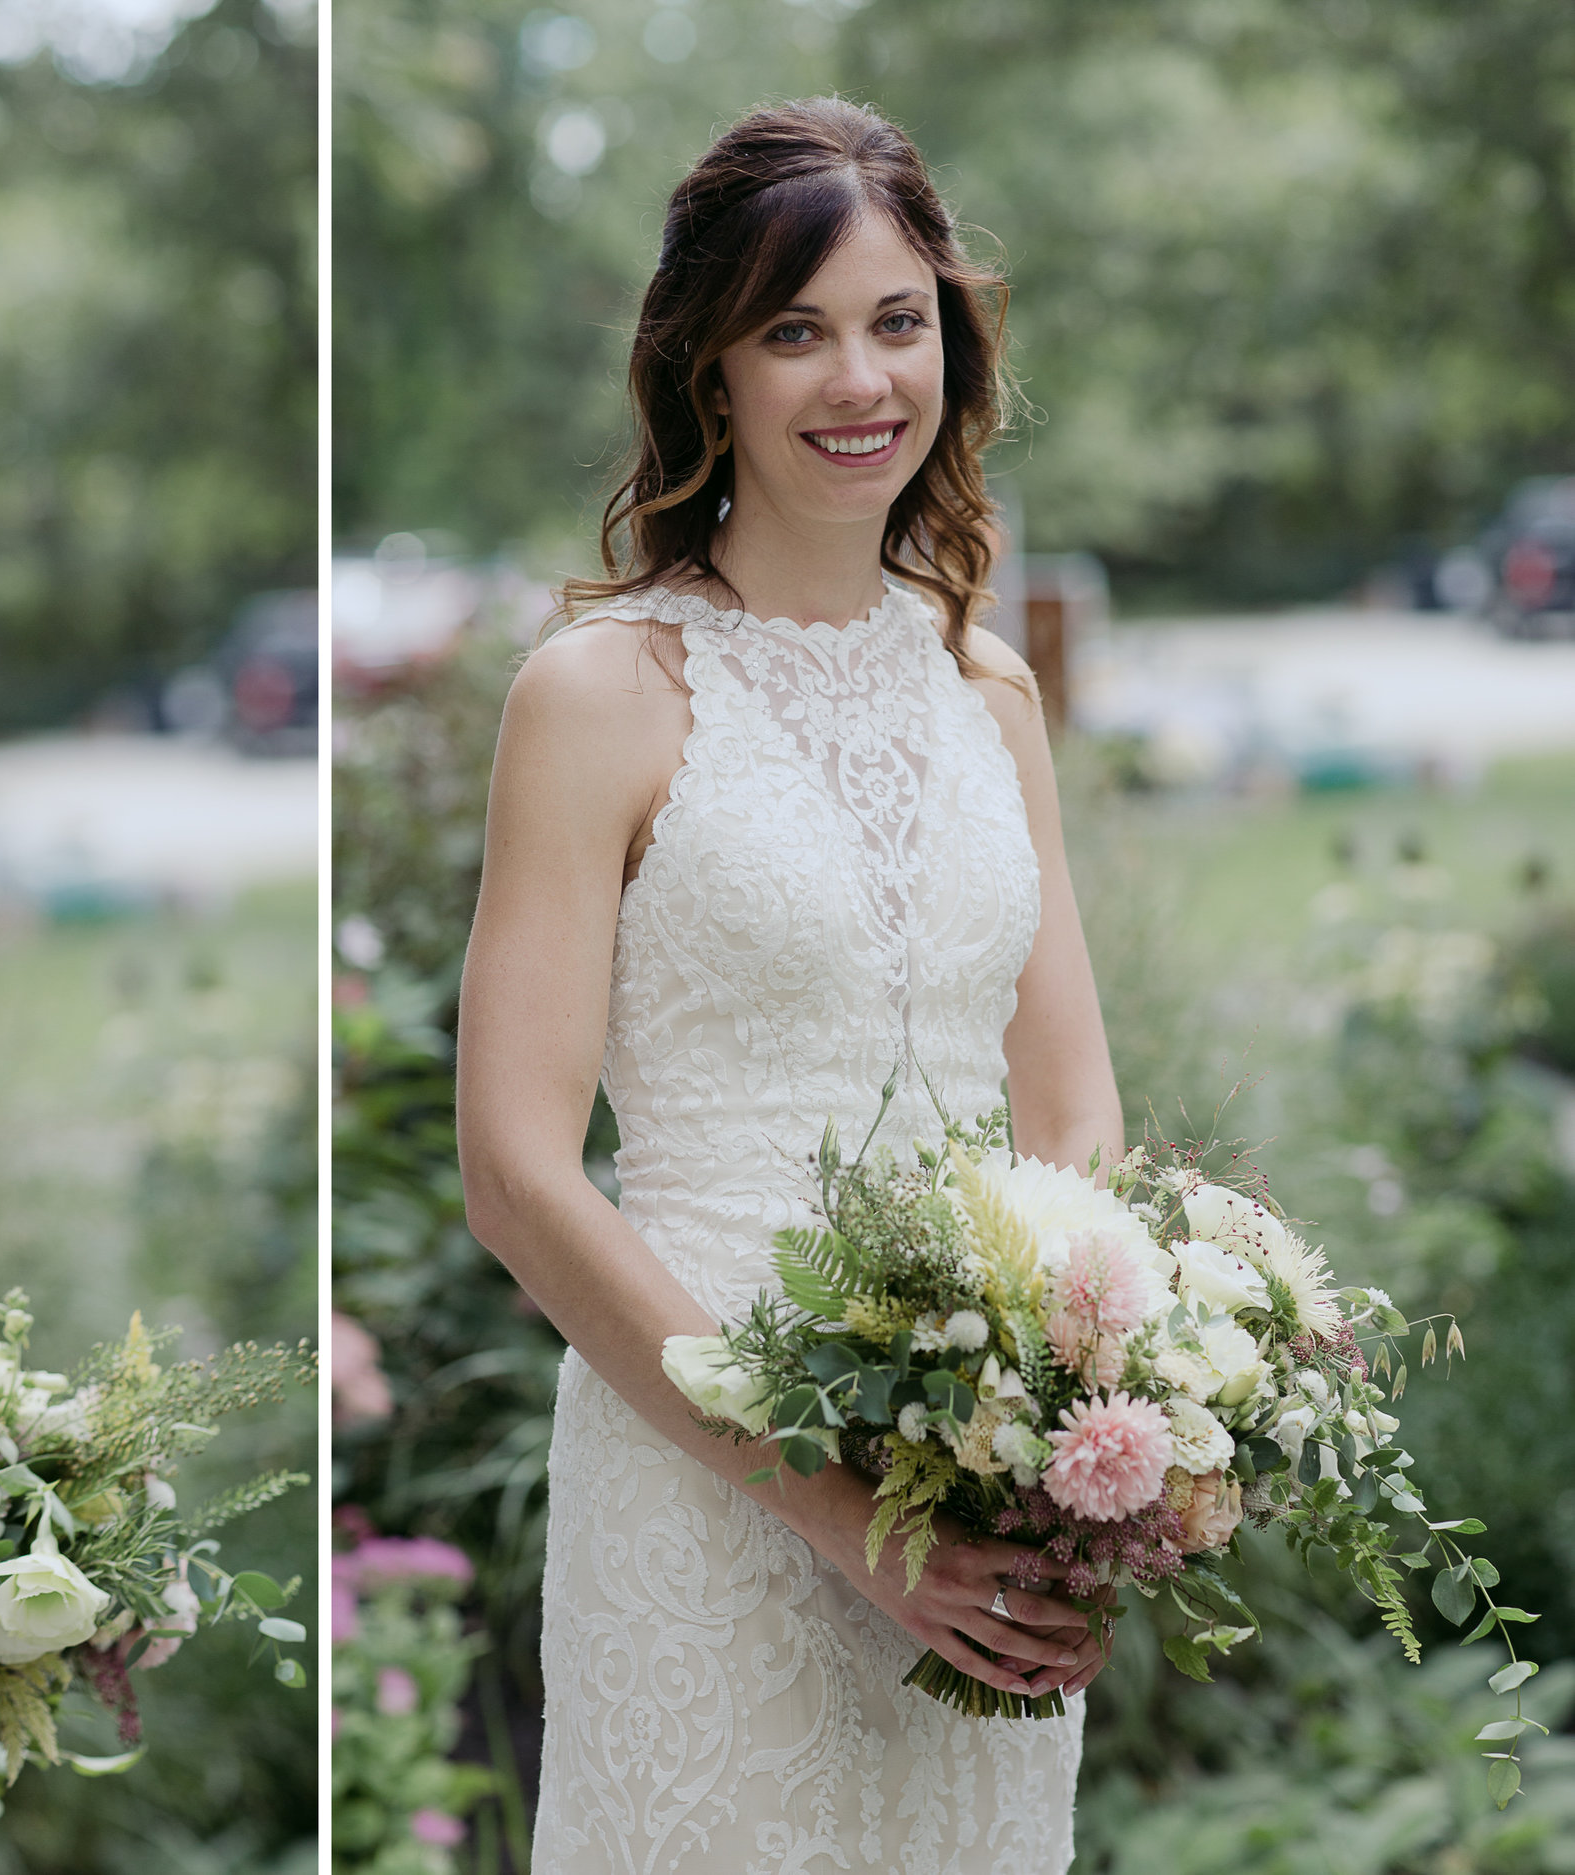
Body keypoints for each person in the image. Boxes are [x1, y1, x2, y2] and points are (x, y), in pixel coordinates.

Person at [454, 98, 1125, 1872]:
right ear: (712, 369)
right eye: (795, 330)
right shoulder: (600, 692)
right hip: (710, 1482)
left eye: (898, 322)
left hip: (981, 1492)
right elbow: (518, 1171)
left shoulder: (992, 694)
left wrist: (1069, 1443)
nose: (858, 381)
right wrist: (837, 1513)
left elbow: (1071, 1112)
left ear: (951, 346)